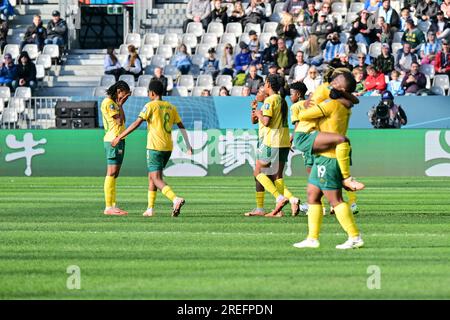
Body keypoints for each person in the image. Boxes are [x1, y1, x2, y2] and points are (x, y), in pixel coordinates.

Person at [111, 80, 193, 217]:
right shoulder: (171, 107)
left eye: (148, 92)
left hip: (154, 147)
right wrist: (188, 145)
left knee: (156, 178)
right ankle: (150, 209)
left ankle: (175, 199)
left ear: (152, 93)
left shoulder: (150, 106)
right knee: (152, 177)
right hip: (167, 147)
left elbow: (137, 123)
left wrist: (120, 136)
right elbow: (181, 126)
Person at [252, 75, 295, 217]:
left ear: (269, 84)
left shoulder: (270, 100)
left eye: (265, 83)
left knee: (258, 173)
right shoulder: (282, 100)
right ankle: (279, 210)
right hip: (283, 140)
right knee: (278, 175)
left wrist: (258, 112)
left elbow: (266, 122)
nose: (263, 86)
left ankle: (279, 198)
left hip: (272, 140)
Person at [100, 81, 131, 216]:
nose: (125, 98)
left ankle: (112, 204)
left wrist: (120, 105)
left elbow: (123, 120)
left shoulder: (115, 104)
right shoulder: (109, 103)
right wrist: (119, 104)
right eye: (125, 95)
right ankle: (108, 207)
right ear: (119, 91)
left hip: (119, 139)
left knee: (115, 174)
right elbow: (118, 121)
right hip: (113, 140)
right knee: (111, 172)